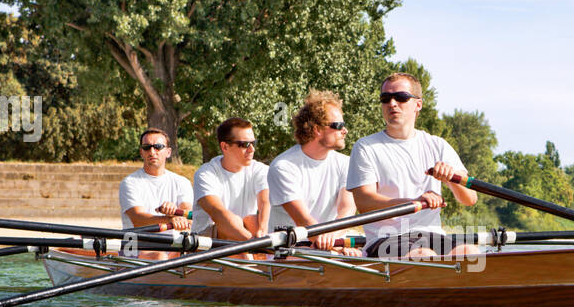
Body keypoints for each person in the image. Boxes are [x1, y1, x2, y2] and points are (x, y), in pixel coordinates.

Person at [346, 72, 478, 257]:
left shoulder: (438, 145)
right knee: (423, 255)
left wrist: (452, 180)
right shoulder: (366, 147)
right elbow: (364, 202)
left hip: (431, 235)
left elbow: (469, 199)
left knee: (470, 251)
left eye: (401, 97)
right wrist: (412, 202)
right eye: (386, 98)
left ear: (418, 104)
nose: (392, 103)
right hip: (385, 238)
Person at [267, 90, 363, 256]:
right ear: (317, 129)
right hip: (289, 249)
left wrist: (332, 239)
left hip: (330, 242)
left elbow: (347, 209)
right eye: (338, 126)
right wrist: (330, 244)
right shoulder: (284, 167)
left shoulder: (345, 163)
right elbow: (303, 220)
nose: (345, 130)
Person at [191, 117, 269, 240]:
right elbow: (218, 213)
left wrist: (262, 231)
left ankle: (256, 254)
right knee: (234, 221)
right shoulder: (206, 173)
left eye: (254, 143)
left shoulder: (260, 170)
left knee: (252, 220)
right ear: (225, 147)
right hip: (206, 238)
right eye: (245, 144)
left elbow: (265, 202)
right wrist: (253, 243)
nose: (252, 149)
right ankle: (255, 254)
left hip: (246, 233)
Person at [118, 128, 192, 231]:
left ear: (168, 152)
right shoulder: (129, 183)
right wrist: (171, 218)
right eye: (146, 147)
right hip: (140, 245)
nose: (152, 152)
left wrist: (176, 212)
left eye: (158, 147)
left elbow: (190, 215)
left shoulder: (182, 182)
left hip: (174, 246)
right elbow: (138, 220)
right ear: (141, 152)